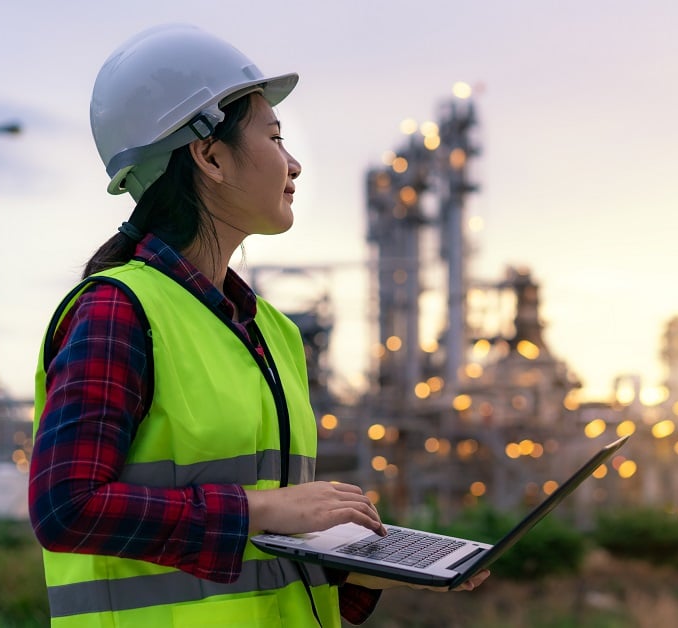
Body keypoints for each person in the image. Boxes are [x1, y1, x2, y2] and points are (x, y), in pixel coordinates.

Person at [28, 23, 488, 628]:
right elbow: (67, 509)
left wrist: (361, 564)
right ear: (210, 156)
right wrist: (262, 508)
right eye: (274, 137)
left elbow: (263, 549)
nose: (293, 164)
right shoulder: (119, 310)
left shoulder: (271, 330)